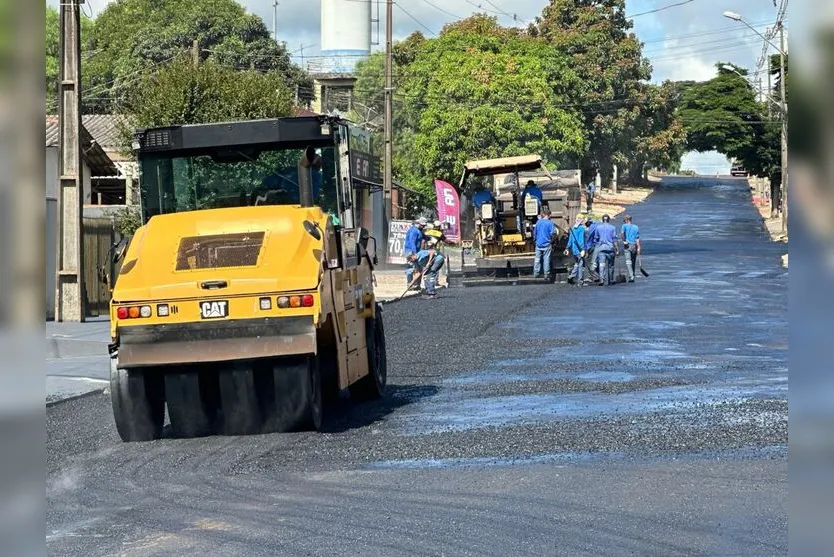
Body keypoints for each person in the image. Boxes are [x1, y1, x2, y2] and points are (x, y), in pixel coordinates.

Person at [593, 214, 619, 286]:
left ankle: (602, 279)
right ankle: (611, 279)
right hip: (610, 248)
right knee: (611, 265)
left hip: (601, 248)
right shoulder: (612, 228)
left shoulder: (598, 228)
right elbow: (614, 239)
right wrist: (617, 250)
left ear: (602, 220)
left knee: (602, 265)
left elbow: (596, 238)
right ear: (608, 220)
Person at [403, 217, 427, 289]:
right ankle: (410, 284)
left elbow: (425, 237)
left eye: (424, 225)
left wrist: (432, 238)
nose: (423, 226)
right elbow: (412, 242)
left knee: (419, 268)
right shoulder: (414, 231)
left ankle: (417, 285)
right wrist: (414, 253)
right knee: (411, 268)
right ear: (419, 223)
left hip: (417, 252)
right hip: (411, 252)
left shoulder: (419, 231)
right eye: (422, 225)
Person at [532, 208, 555, 279]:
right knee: (546, 259)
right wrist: (552, 241)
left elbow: (534, 233)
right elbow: (553, 233)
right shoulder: (550, 223)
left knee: (537, 259)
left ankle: (536, 273)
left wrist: (535, 240)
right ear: (549, 215)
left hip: (538, 244)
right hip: (547, 244)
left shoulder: (538, 222)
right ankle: (546, 274)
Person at [565, 215, 587, 286]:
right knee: (581, 265)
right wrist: (583, 249)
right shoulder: (581, 229)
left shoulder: (573, 228)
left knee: (577, 264)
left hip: (574, 250)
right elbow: (581, 240)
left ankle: (571, 277)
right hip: (579, 250)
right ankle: (580, 281)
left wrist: (567, 248)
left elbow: (570, 240)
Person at [620, 214, 642, 282]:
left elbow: (622, 234)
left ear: (626, 220)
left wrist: (624, 241)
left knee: (628, 261)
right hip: (634, 245)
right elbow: (637, 238)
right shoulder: (636, 227)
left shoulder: (624, 226)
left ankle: (631, 276)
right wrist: (638, 247)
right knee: (633, 260)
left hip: (628, 245)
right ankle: (633, 273)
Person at [584, 217, 601, 282]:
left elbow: (588, 241)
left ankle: (595, 276)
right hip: (599, 245)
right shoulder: (597, 224)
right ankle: (599, 275)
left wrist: (587, 251)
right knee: (598, 261)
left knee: (589, 261)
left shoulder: (588, 230)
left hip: (592, 247)